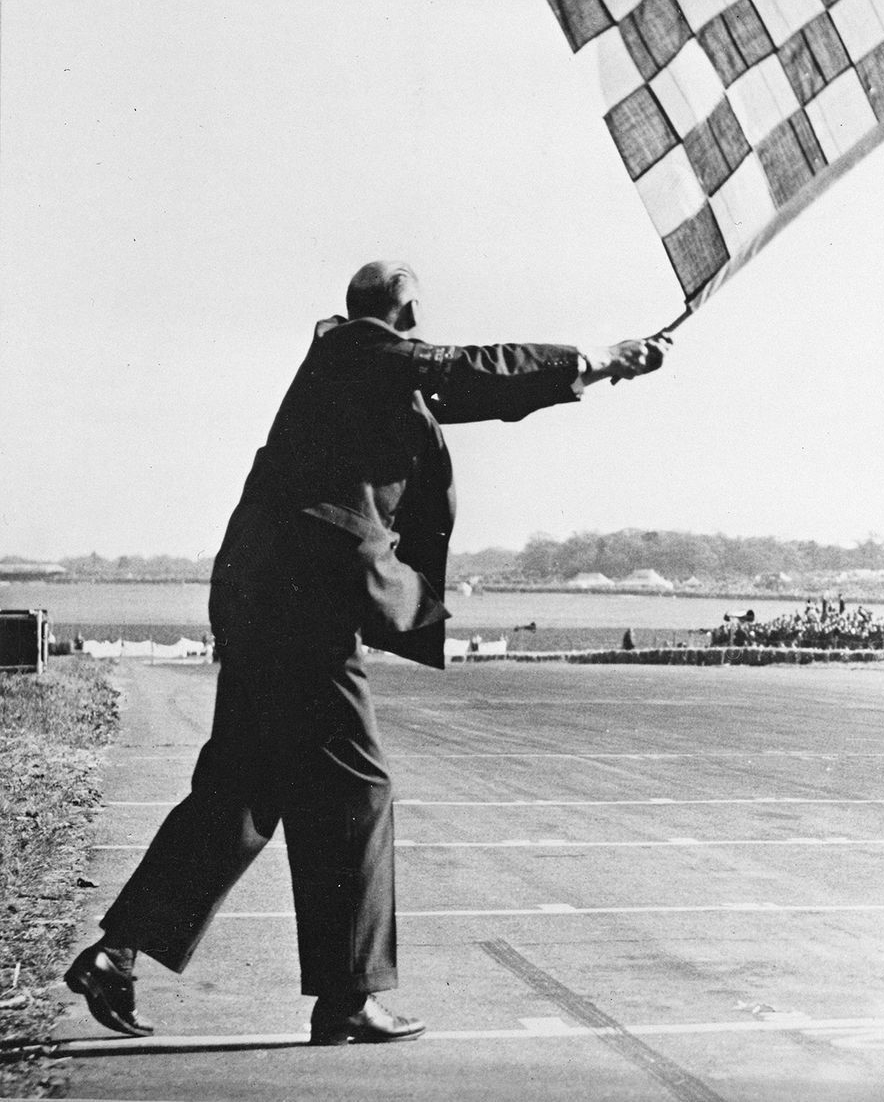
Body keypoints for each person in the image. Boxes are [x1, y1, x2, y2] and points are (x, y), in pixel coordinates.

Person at [64, 262, 666, 1045]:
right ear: (404, 308)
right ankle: (347, 997)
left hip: (269, 596)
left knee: (242, 791)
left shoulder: (363, 368)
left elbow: (475, 390)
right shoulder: (358, 349)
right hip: (301, 602)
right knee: (359, 787)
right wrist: (590, 357)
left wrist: (597, 367)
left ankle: (116, 954)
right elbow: (465, 369)